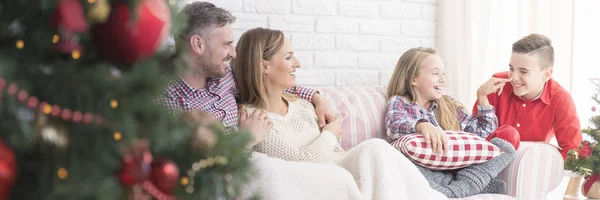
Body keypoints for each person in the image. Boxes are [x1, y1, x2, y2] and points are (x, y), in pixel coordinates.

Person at [159, 2, 362, 199]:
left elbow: (266, 82)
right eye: (227, 44)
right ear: (198, 44)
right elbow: (191, 172)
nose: (234, 53)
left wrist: (317, 98)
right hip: (232, 180)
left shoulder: (225, 77)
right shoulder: (168, 101)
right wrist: (246, 139)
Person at [233, 27, 447, 200]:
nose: (298, 64)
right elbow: (302, 162)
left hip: (339, 173)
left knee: (375, 149)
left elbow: (336, 152)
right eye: (289, 57)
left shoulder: (304, 105)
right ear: (264, 66)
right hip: (320, 182)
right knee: (368, 153)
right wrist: (329, 133)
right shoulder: (256, 121)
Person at [385, 47, 520, 198]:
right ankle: (473, 186)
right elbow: (394, 125)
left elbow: (483, 135)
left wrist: (482, 96)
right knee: (398, 158)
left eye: (443, 73)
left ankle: (459, 188)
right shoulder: (400, 102)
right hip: (428, 174)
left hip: (456, 170)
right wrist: (421, 125)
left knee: (509, 133)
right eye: (435, 73)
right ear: (413, 79)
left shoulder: (448, 104)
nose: (442, 79)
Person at [472, 33, 582, 159]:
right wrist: (481, 96)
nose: (514, 78)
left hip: (532, 169)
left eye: (523, 71)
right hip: (490, 167)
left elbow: (574, 154)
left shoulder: (561, 100)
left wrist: (543, 151)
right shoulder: (495, 84)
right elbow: (475, 137)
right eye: (511, 68)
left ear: (547, 74)